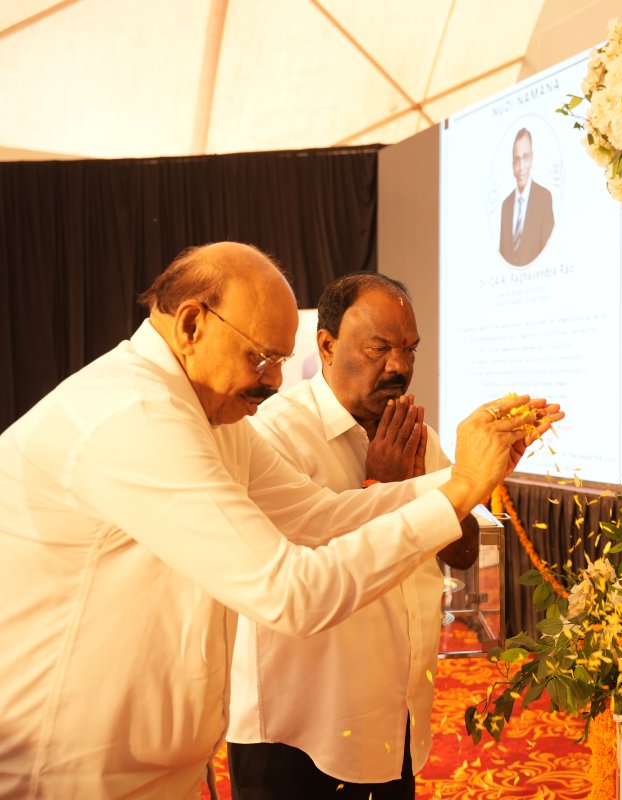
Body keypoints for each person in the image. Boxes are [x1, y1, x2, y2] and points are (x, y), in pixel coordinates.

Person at [0, 242, 560, 799]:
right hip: (66, 769)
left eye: (280, 362)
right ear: (192, 324)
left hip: (141, 765)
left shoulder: (207, 413)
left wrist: (465, 478)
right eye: (261, 358)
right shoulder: (136, 416)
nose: (272, 382)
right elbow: (290, 592)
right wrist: (459, 487)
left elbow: (320, 515)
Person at [226, 273, 484, 798]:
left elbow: (463, 551)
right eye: (379, 348)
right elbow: (298, 574)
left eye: (409, 349)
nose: (399, 366)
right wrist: (385, 488)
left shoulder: (416, 434)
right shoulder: (273, 433)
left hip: (395, 711)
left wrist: (423, 484)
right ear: (326, 345)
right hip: (298, 723)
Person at [499, 128, 555, 266]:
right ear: (512, 163)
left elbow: (550, 253)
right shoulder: (506, 205)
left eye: (525, 157)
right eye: (517, 159)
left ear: (532, 158)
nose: (521, 166)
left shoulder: (544, 198)